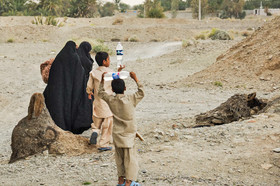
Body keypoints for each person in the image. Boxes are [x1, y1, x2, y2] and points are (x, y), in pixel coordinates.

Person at [98, 71, 144, 186]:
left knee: (119, 159)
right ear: (125, 88)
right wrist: (135, 78)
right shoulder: (131, 99)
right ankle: (129, 182)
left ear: (112, 90)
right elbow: (142, 92)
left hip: (117, 134)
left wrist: (102, 80)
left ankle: (121, 181)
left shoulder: (111, 100)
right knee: (130, 160)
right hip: (129, 135)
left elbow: (101, 92)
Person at [43, 40, 92, 134]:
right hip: (72, 90)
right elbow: (80, 76)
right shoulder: (75, 59)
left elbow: (53, 76)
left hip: (58, 90)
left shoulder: (59, 58)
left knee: (59, 108)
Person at [87, 52, 124, 151]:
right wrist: (119, 71)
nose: (109, 61)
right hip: (107, 102)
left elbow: (89, 86)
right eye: (108, 59)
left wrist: (89, 92)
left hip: (97, 101)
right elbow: (117, 82)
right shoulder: (111, 72)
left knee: (96, 122)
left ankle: (95, 131)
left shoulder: (93, 73)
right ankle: (104, 143)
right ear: (104, 61)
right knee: (107, 124)